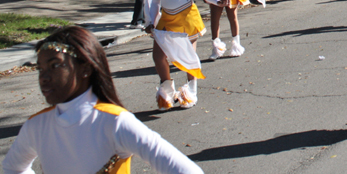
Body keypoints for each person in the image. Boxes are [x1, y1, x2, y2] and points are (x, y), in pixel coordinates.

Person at [2, 26, 203, 174]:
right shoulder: (37, 125)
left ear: (85, 69)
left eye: (55, 66)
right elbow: (12, 168)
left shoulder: (114, 122)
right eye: (40, 69)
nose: (43, 77)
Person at [146, 0, 228, 110]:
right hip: (167, 20)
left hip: (187, 18)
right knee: (158, 56)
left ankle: (191, 92)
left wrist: (217, 1)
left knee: (188, 57)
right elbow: (155, 2)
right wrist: (150, 22)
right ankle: (167, 92)